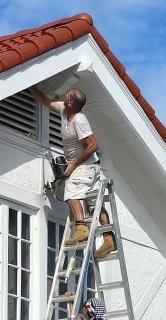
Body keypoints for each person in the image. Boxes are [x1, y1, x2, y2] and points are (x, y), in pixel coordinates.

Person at [32, 83, 116, 255]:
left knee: (70, 190)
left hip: (85, 165)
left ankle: (81, 228)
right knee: (94, 205)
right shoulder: (64, 109)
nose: (64, 97)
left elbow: (93, 145)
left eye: (67, 96)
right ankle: (109, 239)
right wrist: (31, 88)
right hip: (87, 166)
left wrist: (74, 163)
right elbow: (46, 102)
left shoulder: (79, 120)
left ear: (70, 103)